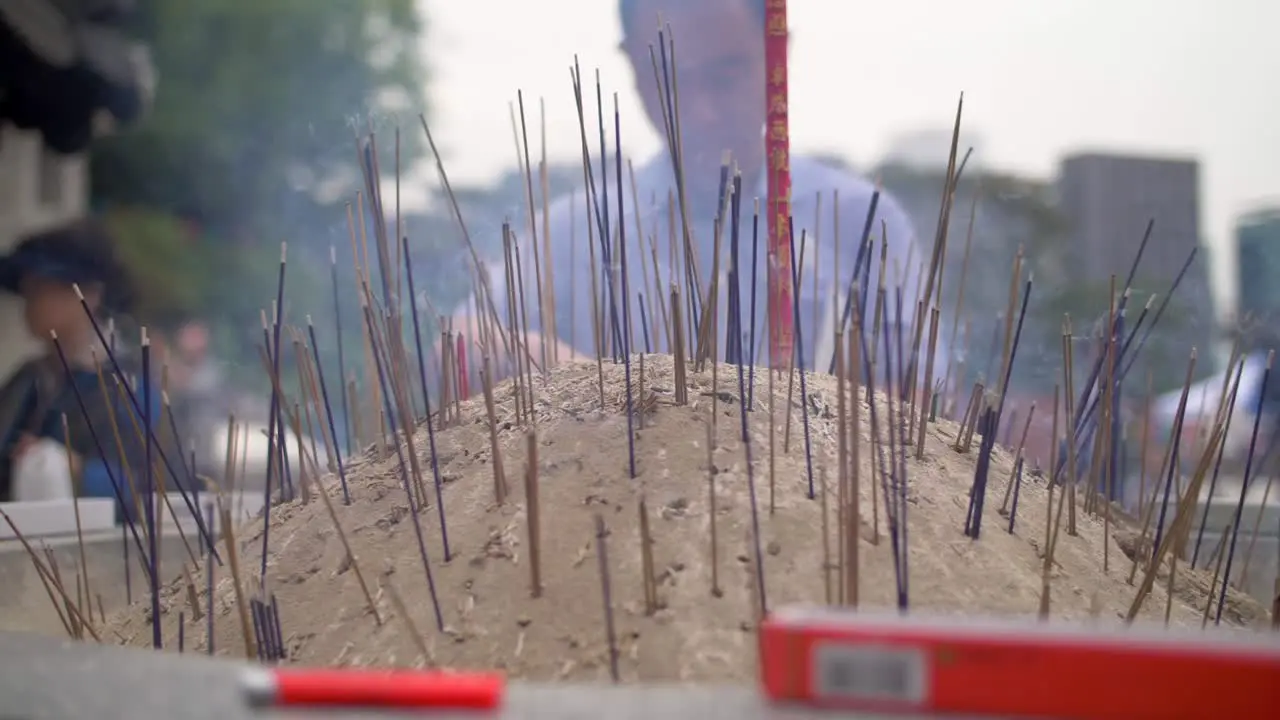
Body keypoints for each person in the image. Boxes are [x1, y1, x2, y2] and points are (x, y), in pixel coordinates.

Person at [455, 0, 935, 381]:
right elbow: (457, 345)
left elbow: (918, 405)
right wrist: (580, 380)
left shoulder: (861, 222)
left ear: (777, 51)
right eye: (672, 79)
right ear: (633, 65)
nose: (701, 111)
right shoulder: (574, 230)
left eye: (725, 75)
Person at [0, 218, 165, 523]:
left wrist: (76, 470)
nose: (31, 304)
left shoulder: (130, 384)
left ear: (88, 294)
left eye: (41, 289)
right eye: (27, 291)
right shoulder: (26, 380)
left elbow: (153, 483)